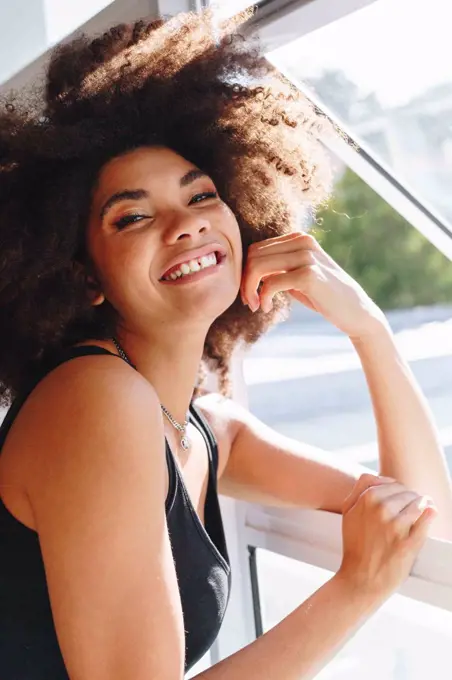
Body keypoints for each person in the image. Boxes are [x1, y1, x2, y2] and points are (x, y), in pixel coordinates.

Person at [0, 8, 451, 680]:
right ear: (84, 277)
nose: (185, 225)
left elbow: (419, 515)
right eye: (133, 216)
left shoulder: (205, 427)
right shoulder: (93, 400)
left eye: (202, 195)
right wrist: (355, 588)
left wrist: (369, 330)